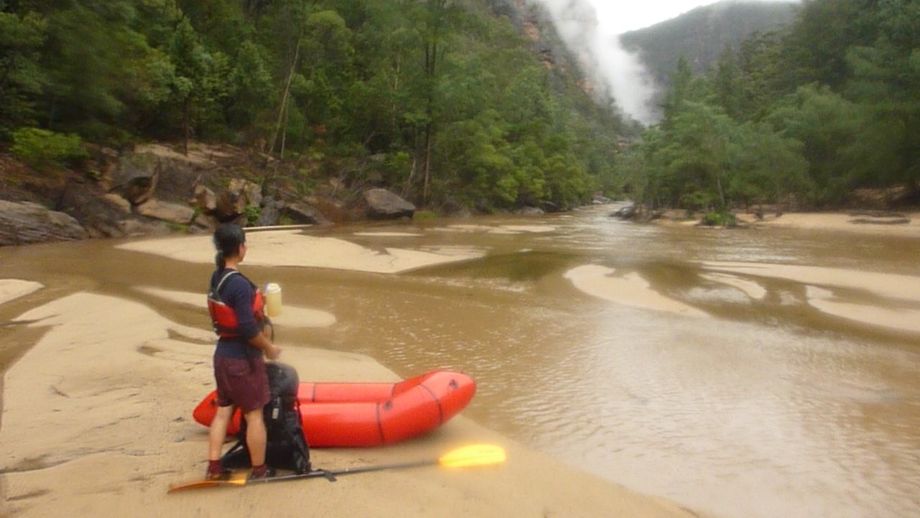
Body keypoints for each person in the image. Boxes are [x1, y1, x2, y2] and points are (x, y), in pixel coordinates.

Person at [205, 223, 282, 480]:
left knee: (223, 410)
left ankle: (214, 466)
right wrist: (269, 348)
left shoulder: (217, 277)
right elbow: (248, 329)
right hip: (242, 360)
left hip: (222, 357)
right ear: (239, 248)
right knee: (254, 414)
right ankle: (260, 470)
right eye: (244, 243)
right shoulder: (238, 285)